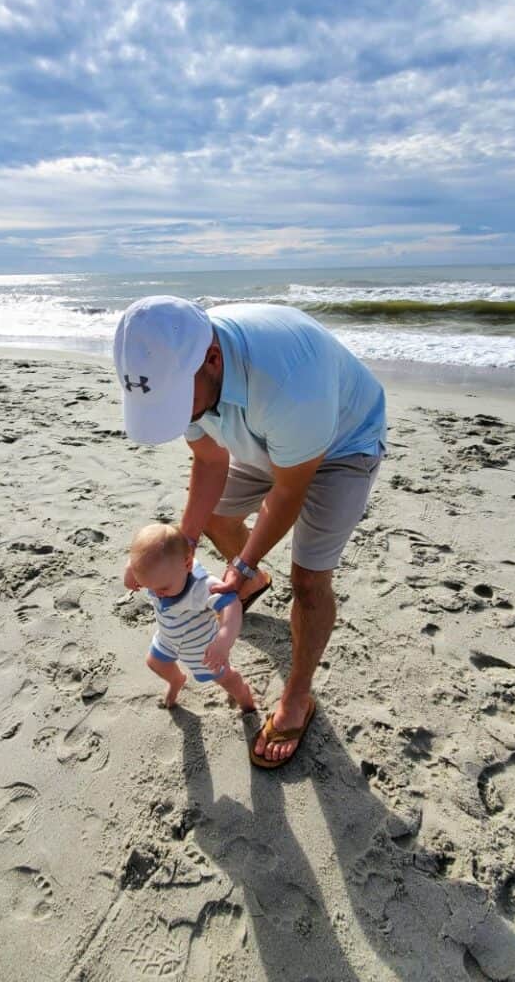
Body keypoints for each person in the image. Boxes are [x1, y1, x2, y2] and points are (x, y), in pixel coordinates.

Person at [115, 296, 386, 768]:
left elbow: (286, 495)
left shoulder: (288, 384)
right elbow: (209, 460)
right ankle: (254, 586)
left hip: (342, 443)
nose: (179, 417)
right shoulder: (180, 360)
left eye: (178, 404)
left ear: (213, 361)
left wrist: (241, 564)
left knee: (308, 580)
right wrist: (183, 547)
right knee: (214, 519)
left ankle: (298, 696)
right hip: (266, 434)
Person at [125, 522, 255, 712]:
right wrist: (131, 571)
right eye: (148, 587)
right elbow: (138, 561)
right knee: (155, 662)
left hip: (202, 650)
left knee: (225, 678)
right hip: (168, 638)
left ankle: (244, 697)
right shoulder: (159, 573)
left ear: (187, 564)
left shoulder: (202, 586)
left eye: (162, 589)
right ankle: (177, 680)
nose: (156, 594)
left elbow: (231, 604)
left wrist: (223, 640)